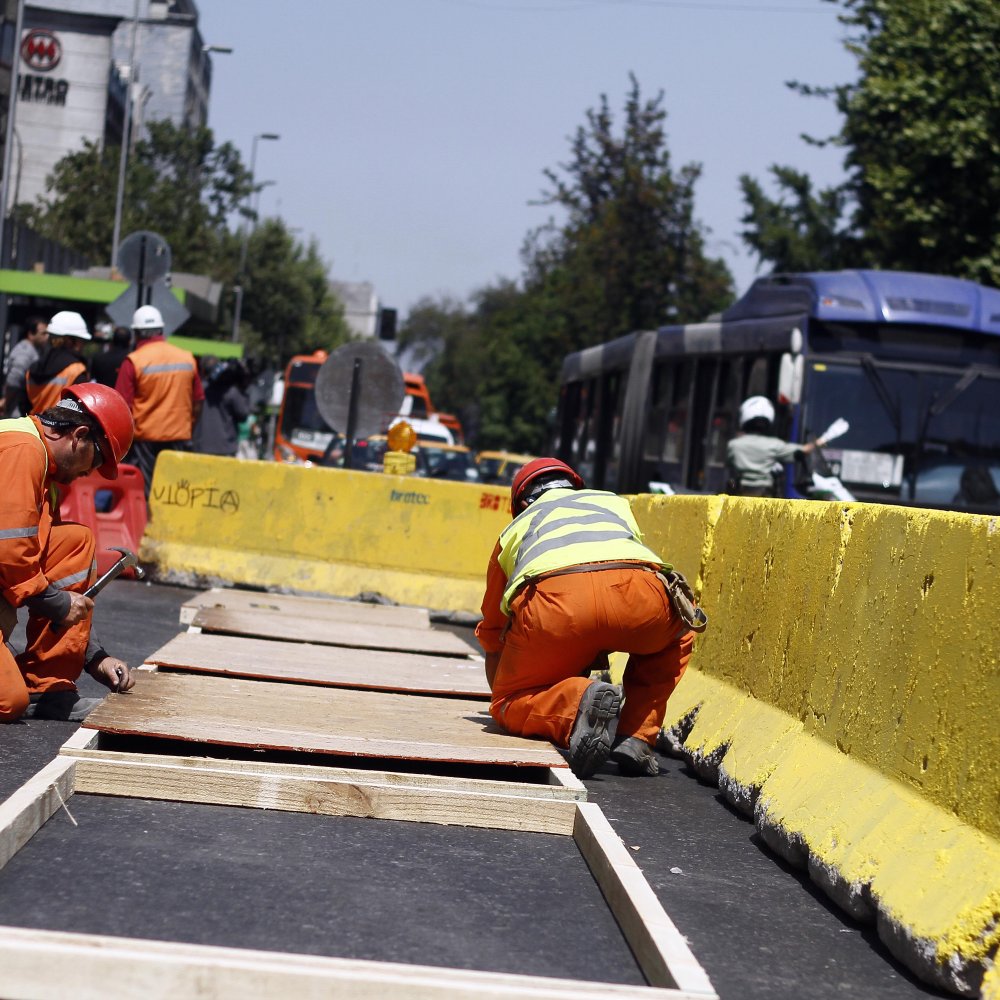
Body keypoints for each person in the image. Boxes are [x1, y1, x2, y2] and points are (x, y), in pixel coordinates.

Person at [475, 457, 707, 778]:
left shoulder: (515, 527)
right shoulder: (612, 503)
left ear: (521, 503)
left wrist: (505, 692)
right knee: (679, 631)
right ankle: (637, 734)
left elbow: (493, 629)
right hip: (639, 594)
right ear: (576, 486)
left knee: (508, 703)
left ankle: (577, 704)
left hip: (556, 605)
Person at [0, 384, 136, 722]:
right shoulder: (23, 449)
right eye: (97, 460)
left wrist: (96, 657)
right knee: (8, 702)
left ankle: (48, 688)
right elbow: (12, 554)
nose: (89, 473)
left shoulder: (45, 471)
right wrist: (57, 603)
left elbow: (48, 569)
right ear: (80, 435)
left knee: (73, 542)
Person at [115, 305, 203, 497]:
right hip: (179, 436)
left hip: (145, 438)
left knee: (146, 491)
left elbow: (122, 406)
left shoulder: (134, 361)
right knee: (173, 492)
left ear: (137, 333)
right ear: (161, 330)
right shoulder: (187, 358)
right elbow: (198, 401)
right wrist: (189, 426)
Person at [726, 396, 845, 498]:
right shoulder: (774, 445)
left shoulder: (734, 445)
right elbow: (804, 450)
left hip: (739, 495)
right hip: (765, 496)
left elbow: (729, 467)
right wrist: (825, 438)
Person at [25, 311, 91, 415]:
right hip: (59, 425)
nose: (83, 345)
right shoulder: (76, 369)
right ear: (70, 340)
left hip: (32, 423)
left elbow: (23, 404)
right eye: (82, 340)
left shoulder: (32, 368)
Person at [193, 356, 251, 457]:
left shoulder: (199, 389)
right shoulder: (231, 392)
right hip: (225, 448)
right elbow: (243, 415)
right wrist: (243, 390)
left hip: (201, 446)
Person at [2, 316, 48, 418]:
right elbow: (14, 379)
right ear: (31, 334)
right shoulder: (25, 351)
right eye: (43, 333)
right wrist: (7, 401)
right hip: (16, 411)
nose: (47, 337)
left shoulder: (36, 350)